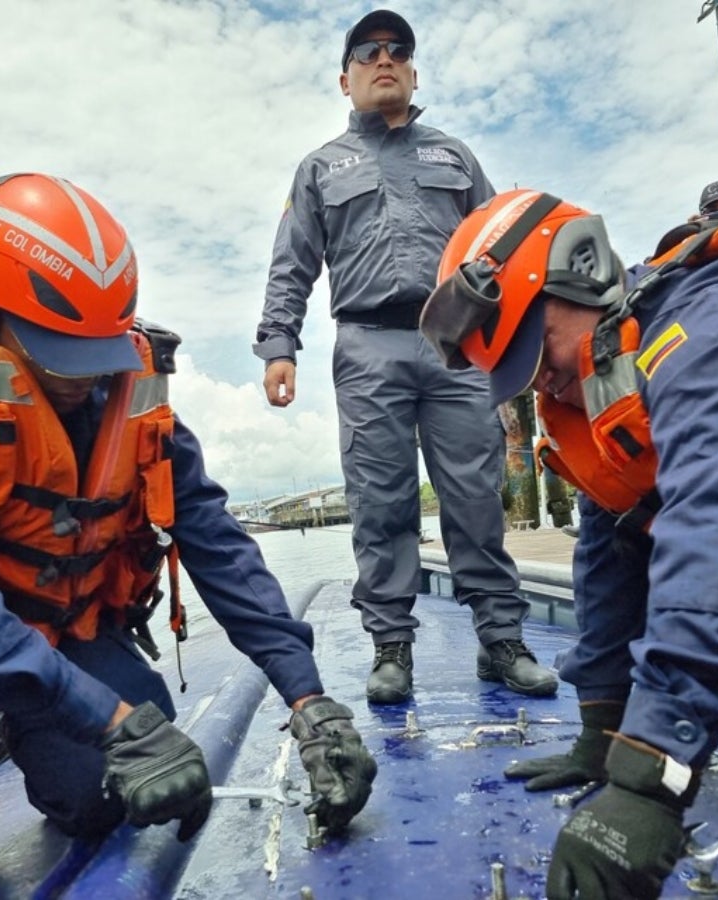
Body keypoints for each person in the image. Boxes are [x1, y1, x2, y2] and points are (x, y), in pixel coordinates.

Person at [0, 173, 376, 900]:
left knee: (110, 801)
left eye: (96, 351)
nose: (83, 379)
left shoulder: (129, 398)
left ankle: (38, 736)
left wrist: (310, 701)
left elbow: (215, 540)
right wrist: (109, 720)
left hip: (61, 633)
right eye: (55, 353)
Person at [421, 188, 718, 898]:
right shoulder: (602, 398)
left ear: (584, 273)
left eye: (540, 352)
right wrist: (604, 734)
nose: (542, 383)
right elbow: (612, 554)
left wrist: (651, 778)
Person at [253, 9, 557, 705]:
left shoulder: (453, 157)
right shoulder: (320, 168)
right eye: (368, 51)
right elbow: (291, 264)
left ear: (413, 72)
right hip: (365, 345)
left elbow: (502, 251)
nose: (384, 58)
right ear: (345, 77)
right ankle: (392, 648)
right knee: (380, 501)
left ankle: (501, 641)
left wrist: (514, 349)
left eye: (398, 50)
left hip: (455, 347)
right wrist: (279, 345)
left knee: (476, 497)